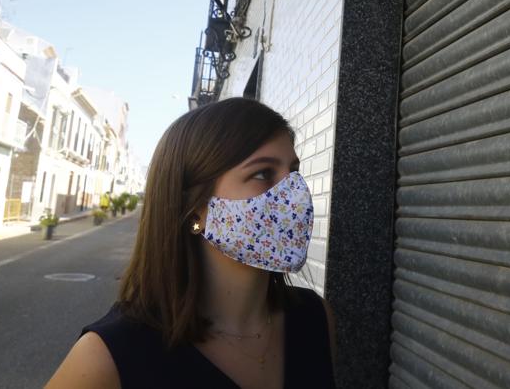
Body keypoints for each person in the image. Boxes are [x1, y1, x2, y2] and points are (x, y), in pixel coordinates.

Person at [46, 98, 336, 388]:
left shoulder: (314, 319)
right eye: (262, 174)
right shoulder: (109, 357)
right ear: (194, 207)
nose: (295, 194)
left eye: (294, 173)